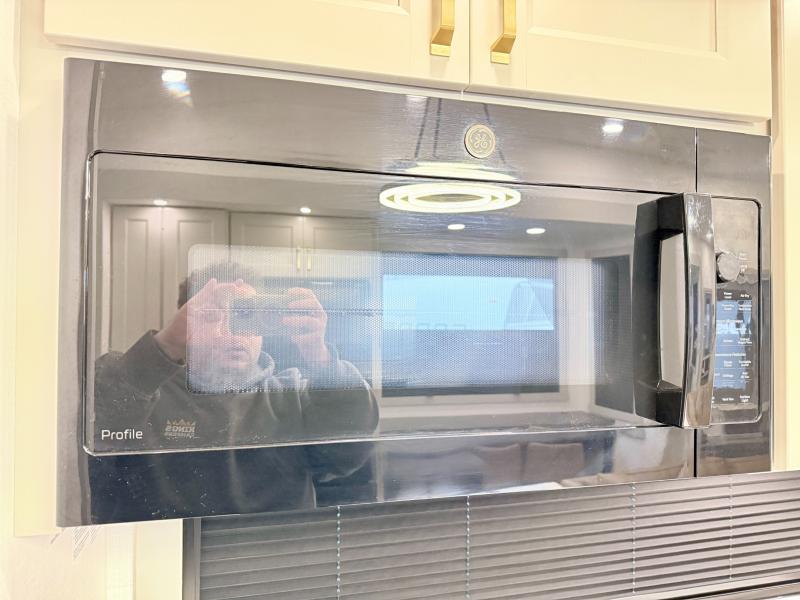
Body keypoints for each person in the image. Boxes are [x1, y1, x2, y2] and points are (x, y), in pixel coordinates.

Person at [88, 262, 379, 521]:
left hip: (277, 554)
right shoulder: (145, 387)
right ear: (186, 323)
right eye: (213, 316)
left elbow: (347, 457)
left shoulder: (292, 393)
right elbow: (94, 433)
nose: (232, 332)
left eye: (245, 315)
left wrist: (321, 357)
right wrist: (167, 343)